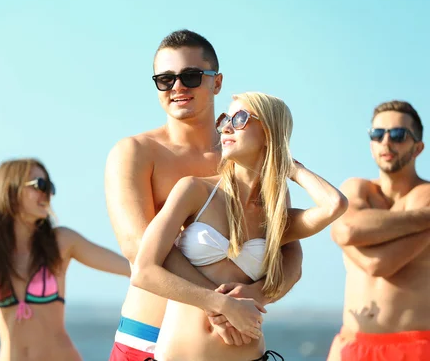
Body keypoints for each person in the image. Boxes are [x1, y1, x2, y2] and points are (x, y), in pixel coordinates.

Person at [105, 30, 305, 361]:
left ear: (217, 82)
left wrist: (258, 295)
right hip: (146, 341)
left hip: (228, 348)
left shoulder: (247, 157)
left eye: (191, 76)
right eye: (165, 79)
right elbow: (136, 246)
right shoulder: (136, 152)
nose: (178, 87)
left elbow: (289, 251)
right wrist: (220, 304)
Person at [131, 92, 348, 360]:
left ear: (269, 133)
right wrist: (222, 305)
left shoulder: (275, 212)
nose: (227, 126)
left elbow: (334, 205)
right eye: (225, 118)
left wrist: (291, 167)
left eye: (241, 118)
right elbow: (143, 272)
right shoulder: (194, 190)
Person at [0, 158, 131, 361]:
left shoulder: (62, 241)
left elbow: (133, 269)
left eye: (50, 188)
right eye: (40, 185)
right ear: (10, 189)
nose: (46, 194)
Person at [329, 100, 430, 360]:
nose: (386, 142)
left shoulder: (425, 194)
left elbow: (382, 265)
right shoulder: (355, 189)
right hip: (351, 343)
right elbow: (349, 229)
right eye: (377, 134)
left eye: (398, 135)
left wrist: (345, 233)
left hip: (414, 346)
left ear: (418, 147)